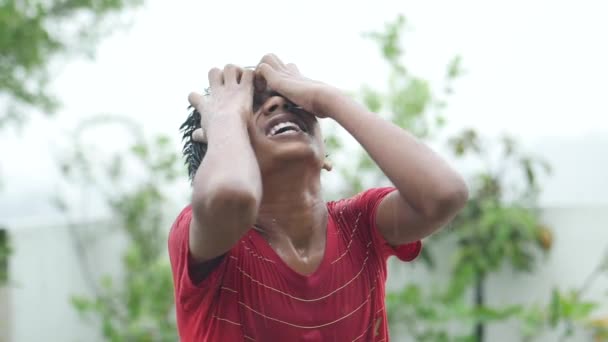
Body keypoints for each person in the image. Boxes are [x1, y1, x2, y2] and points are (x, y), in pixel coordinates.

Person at [169, 53, 468, 341]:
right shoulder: (205, 238)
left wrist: (328, 99)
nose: (278, 103)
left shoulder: (359, 225)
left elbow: (444, 194)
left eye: (295, 103)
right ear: (219, 147)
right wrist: (225, 118)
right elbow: (231, 196)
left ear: (324, 156)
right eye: (250, 108)